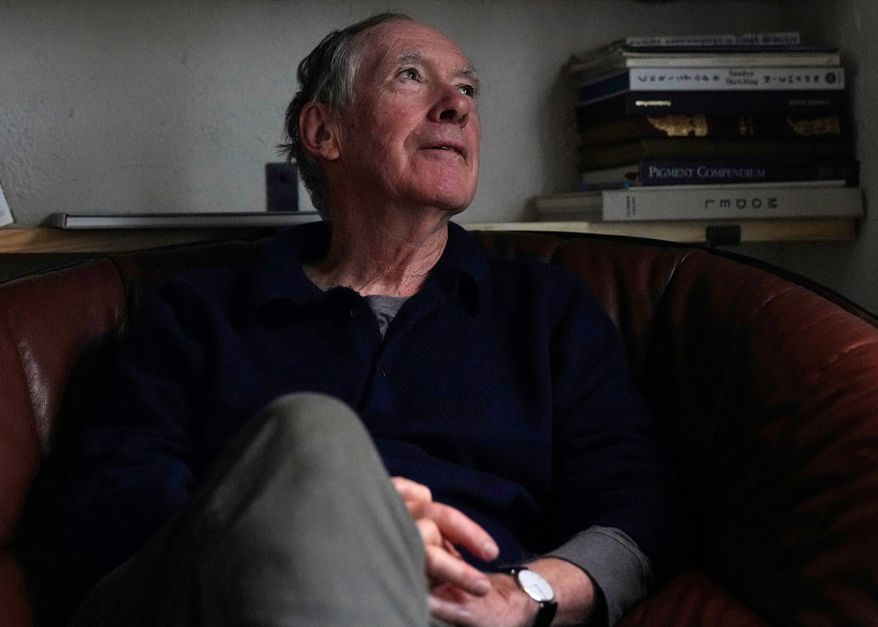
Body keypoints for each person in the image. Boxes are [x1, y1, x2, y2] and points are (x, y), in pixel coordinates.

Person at [61, 12, 676, 627]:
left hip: (454, 612)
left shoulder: (548, 311)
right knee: (309, 432)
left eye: (467, 90)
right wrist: (333, 524)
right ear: (325, 131)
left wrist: (525, 596)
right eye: (411, 76)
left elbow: (634, 515)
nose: (456, 107)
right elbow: (116, 506)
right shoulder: (197, 313)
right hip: (221, 603)